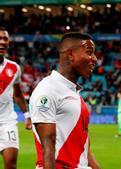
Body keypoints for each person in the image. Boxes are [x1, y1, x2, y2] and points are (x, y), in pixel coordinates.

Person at [29, 32, 100, 169]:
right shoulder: (47, 90)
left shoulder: (74, 94)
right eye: (89, 52)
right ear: (70, 54)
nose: (95, 59)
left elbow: (86, 153)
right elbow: (48, 148)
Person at [0, 27, 32, 169]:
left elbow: (18, 95)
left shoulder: (14, 68)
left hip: (7, 122)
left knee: (11, 164)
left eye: (5, 39)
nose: (2, 42)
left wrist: (27, 115)